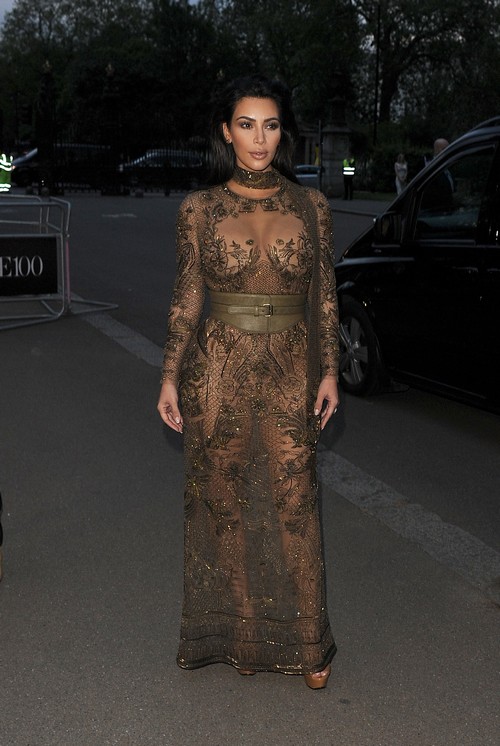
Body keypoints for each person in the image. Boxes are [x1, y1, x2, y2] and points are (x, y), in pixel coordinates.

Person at [157, 75, 339, 690]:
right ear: (225, 131)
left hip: (291, 368)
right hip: (218, 368)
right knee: (226, 505)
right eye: (246, 124)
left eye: (270, 125)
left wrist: (332, 370)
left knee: (296, 503)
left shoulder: (310, 206)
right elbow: (186, 301)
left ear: (282, 131)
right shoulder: (200, 210)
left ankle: (310, 644)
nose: (259, 138)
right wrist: (170, 377)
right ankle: (241, 632)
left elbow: (324, 298)